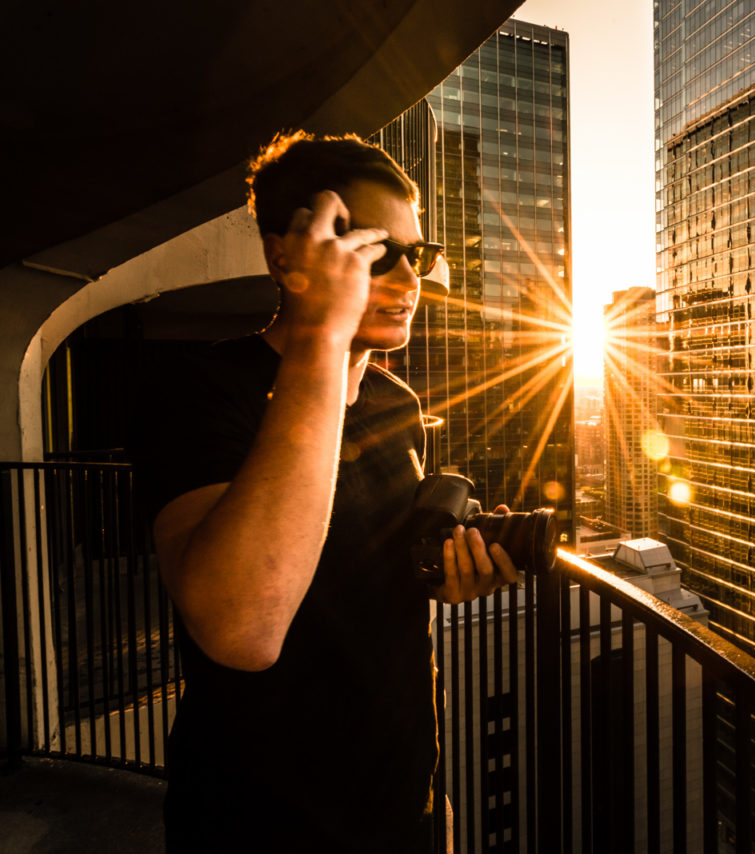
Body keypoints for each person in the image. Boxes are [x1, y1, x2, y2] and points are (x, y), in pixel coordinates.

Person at [136, 130, 518, 852]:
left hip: (401, 805)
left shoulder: (398, 403)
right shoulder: (200, 393)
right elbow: (242, 627)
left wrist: (445, 578)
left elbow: (364, 575)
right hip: (256, 821)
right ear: (286, 254)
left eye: (418, 255)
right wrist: (322, 337)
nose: (410, 282)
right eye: (374, 253)